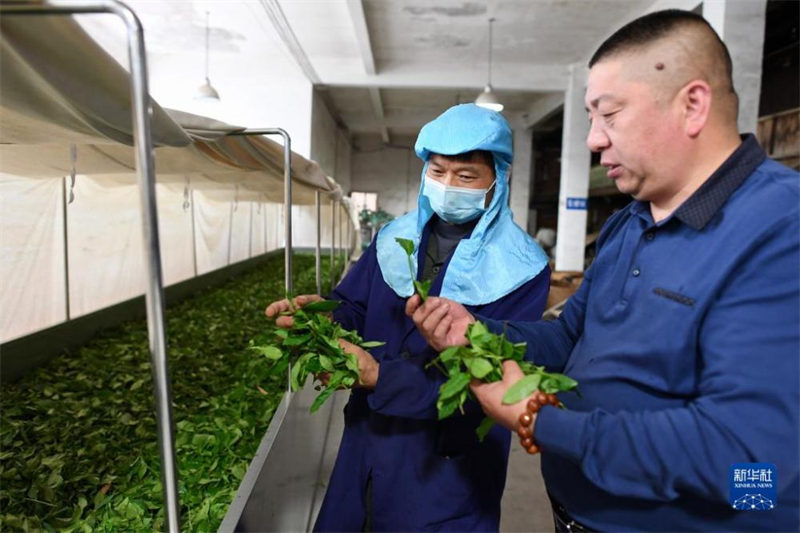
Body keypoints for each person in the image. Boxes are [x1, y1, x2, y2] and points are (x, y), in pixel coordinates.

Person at [407, 10, 799, 532]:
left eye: (609, 115)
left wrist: (539, 421)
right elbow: (571, 336)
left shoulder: (779, 229)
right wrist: (480, 332)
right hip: (575, 513)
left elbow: (751, 464)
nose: (593, 140)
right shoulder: (629, 224)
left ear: (693, 105)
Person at [265, 104, 552, 531]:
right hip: (367, 440)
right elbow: (357, 307)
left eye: (466, 176)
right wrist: (322, 318)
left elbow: (490, 378)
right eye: (437, 172)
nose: (448, 186)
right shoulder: (393, 238)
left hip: (445, 465)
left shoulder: (521, 267)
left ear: (498, 179)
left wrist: (381, 377)